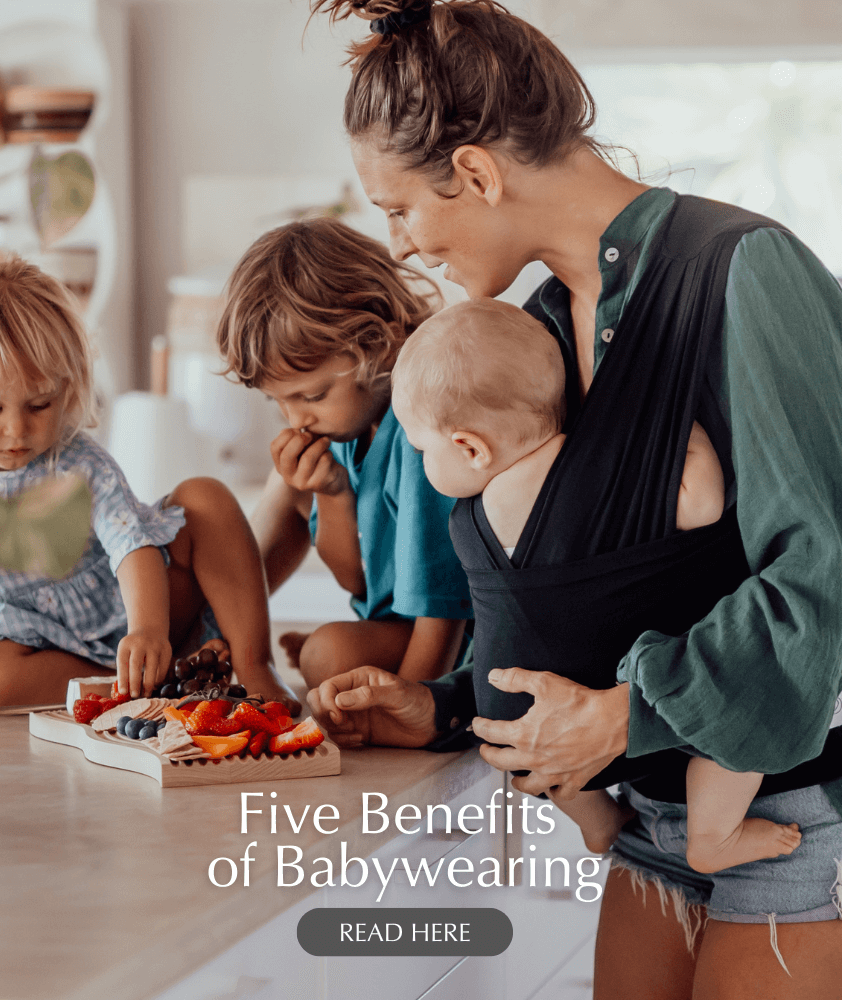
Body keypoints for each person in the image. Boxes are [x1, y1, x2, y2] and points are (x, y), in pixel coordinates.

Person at [306, 1, 842, 993]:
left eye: (398, 208)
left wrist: (627, 712)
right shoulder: (544, 330)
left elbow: (826, 578)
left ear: (474, 171)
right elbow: (591, 610)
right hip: (648, 825)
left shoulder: (744, 272)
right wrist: (440, 707)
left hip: (790, 819)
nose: (403, 243)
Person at [393, 296, 810, 872]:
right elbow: (704, 506)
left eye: (421, 449)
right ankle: (714, 836)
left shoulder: (477, 511)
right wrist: (678, 430)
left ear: (470, 446)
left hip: (517, 730)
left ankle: (598, 824)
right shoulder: (597, 470)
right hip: (608, 702)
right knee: (735, 727)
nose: (423, 463)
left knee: (550, 776)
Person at [0, 248, 298, 712]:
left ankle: (253, 666)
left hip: (135, 617)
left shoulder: (80, 463)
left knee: (204, 497)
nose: (16, 430)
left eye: (39, 405)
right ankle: (161, 685)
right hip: (38, 649)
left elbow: (133, 547)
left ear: (66, 387)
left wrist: (148, 630)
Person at [215, 217, 473, 690]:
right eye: (279, 401)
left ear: (380, 343)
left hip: (455, 647)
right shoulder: (355, 423)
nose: (295, 421)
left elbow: (445, 607)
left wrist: (417, 703)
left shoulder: (422, 430)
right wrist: (332, 494)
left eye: (310, 397)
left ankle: (227, 632)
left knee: (329, 655)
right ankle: (223, 630)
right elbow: (357, 582)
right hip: (395, 619)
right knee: (287, 482)